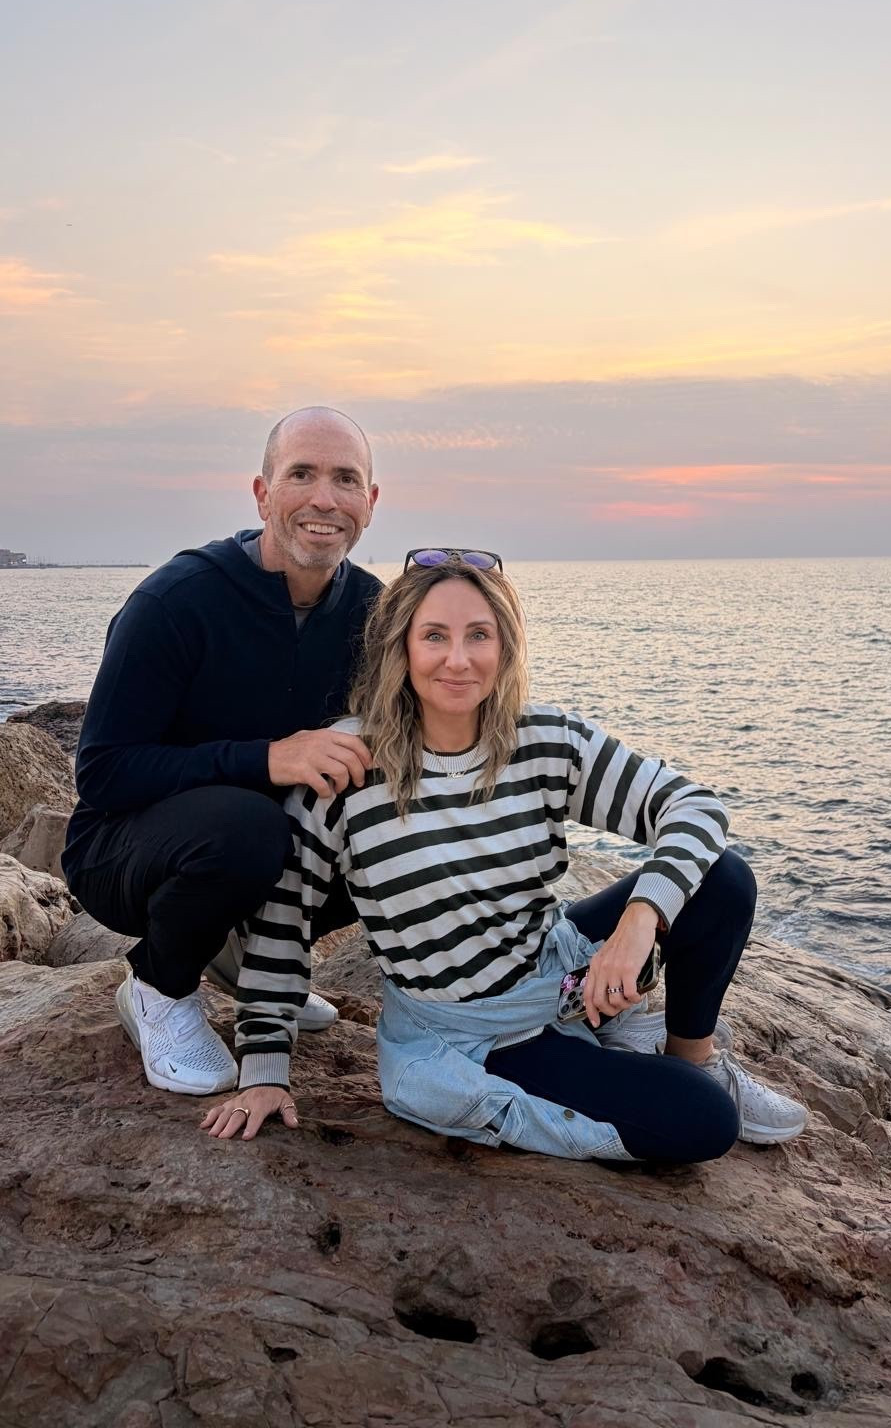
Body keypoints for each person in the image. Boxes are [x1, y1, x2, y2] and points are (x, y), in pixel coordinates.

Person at [203, 548, 808, 1163]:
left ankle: (693, 1060)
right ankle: (639, 1069)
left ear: (505, 646)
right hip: (472, 1034)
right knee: (702, 1124)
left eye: (479, 635)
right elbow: (281, 922)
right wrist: (264, 1071)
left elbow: (695, 807)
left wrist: (638, 921)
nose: (458, 659)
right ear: (401, 647)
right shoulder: (350, 767)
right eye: (434, 635)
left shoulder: (543, 740)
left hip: (554, 968)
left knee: (724, 879)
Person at [62, 407, 382, 1098]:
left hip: (267, 856)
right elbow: (104, 772)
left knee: (392, 809)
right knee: (246, 827)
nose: (324, 498)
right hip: (129, 849)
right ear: (263, 493)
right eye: (301, 474)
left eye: (344, 479)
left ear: (370, 503)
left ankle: (255, 961)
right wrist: (265, 758)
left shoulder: (374, 614)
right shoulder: (177, 601)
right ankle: (158, 987)